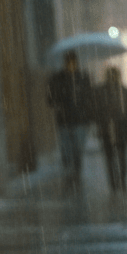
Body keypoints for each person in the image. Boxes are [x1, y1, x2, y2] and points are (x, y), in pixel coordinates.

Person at [46, 51, 94, 190]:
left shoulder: (83, 77)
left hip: (80, 120)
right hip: (64, 119)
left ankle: (76, 172)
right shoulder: (58, 78)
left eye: (73, 63)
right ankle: (68, 172)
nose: (71, 65)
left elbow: (90, 97)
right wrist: (58, 101)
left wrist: (88, 113)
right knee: (66, 149)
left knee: (78, 148)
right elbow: (50, 99)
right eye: (69, 63)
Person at [94, 67, 127, 193]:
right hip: (117, 128)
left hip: (113, 128)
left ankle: (116, 182)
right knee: (119, 156)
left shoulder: (104, 92)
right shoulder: (123, 91)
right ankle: (119, 181)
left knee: (113, 157)